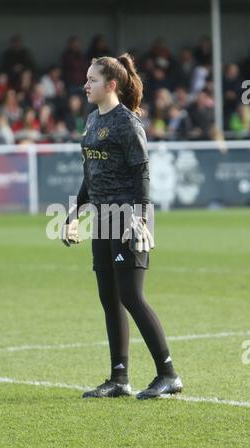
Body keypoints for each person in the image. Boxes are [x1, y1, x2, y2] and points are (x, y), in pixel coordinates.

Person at [61, 53, 183, 400]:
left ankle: (168, 374)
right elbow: (91, 175)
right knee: (109, 297)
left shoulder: (127, 122)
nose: (85, 85)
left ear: (111, 85)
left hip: (128, 218)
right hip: (102, 218)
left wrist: (141, 219)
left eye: (92, 80)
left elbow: (141, 172)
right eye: (86, 79)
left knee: (131, 295)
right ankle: (119, 378)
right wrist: (73, 215)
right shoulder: (91, 119)